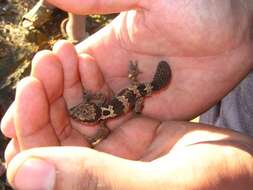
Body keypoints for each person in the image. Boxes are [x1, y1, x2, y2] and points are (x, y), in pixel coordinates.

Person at [1, 0, 253, 189]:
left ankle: (151, 84)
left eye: (79, 114)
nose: (78, 114)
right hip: (140, 92)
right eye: (80, 114)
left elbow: (101, 122)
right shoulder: (102, 110)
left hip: (139, 93)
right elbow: (99, 105)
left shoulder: (102, 118)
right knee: (144, 88)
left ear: (92, 119)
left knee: (148, 87)